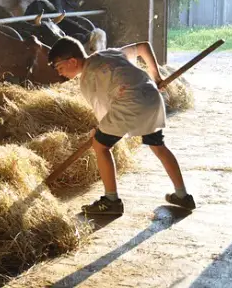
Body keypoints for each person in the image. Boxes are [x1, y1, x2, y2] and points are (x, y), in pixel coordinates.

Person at [48, 36, 196, 215]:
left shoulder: (87, 80)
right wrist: (156, 76)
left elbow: (103, 109)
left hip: (130, 103)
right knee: (158, 145)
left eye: (60, 67)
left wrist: (99, 131)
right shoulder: (109, 53)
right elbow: (143, 46)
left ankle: (111, 201)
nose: (59, 73)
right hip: (151, 97)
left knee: (100, 146)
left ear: (72, 61)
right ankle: (182, 195)